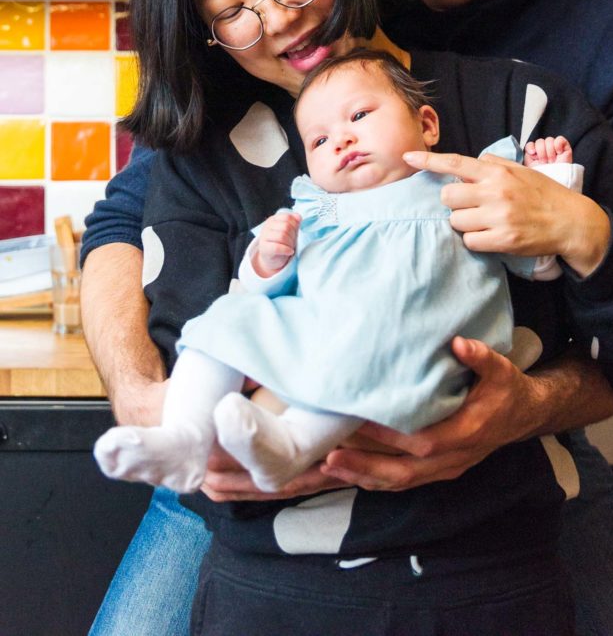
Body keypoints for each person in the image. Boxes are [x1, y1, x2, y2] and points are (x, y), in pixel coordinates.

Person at [82, 0, 613, 636]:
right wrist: (156, 401)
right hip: (260, 473)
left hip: (500, 460)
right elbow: (127, 222)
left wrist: (513, 411)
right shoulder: (276, 34)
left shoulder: (591, 52)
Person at [94, 49, 581, 497]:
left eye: (360, 116)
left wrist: (553, 183)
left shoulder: (464, 183)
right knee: (227, 322)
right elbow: (268, 286)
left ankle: (291, 445)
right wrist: (270, 256)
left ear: (426, 124)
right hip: (323, 327)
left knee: (361, 357)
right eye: (320, 139)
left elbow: (538, 262)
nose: (342, 139)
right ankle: (184, 437)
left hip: (416, 341)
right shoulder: (317, 210)